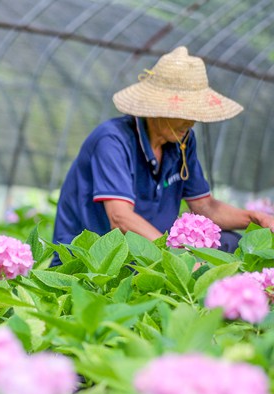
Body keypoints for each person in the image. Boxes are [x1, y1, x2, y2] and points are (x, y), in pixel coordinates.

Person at [52, 46, 274, 262]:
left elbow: (205, 207)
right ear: (156, 108)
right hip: (97, 262)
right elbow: (120, 218)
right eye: (183, 111)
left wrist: (256, 218)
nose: (191, 121)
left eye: (195, 112)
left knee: (229, 244)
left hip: (150, 251)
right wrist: (174, 260)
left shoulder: (182, 140)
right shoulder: (112, 140)